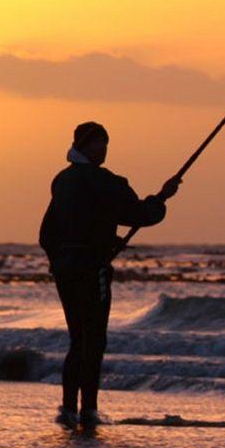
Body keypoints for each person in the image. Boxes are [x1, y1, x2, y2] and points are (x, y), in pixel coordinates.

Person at [39, 122, 180, 430]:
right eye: (99, 144)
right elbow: (139, 215)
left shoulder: (62, 181)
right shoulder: (103, 181)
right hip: (93, 268)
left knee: (78, 339)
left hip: (66, 269)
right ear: (85, 146)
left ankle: (68, 409)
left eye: (106, 143)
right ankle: (88, 410)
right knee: (94, 339)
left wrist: (58, 261)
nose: (103, 149)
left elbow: (47, 232)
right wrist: (162, 197)